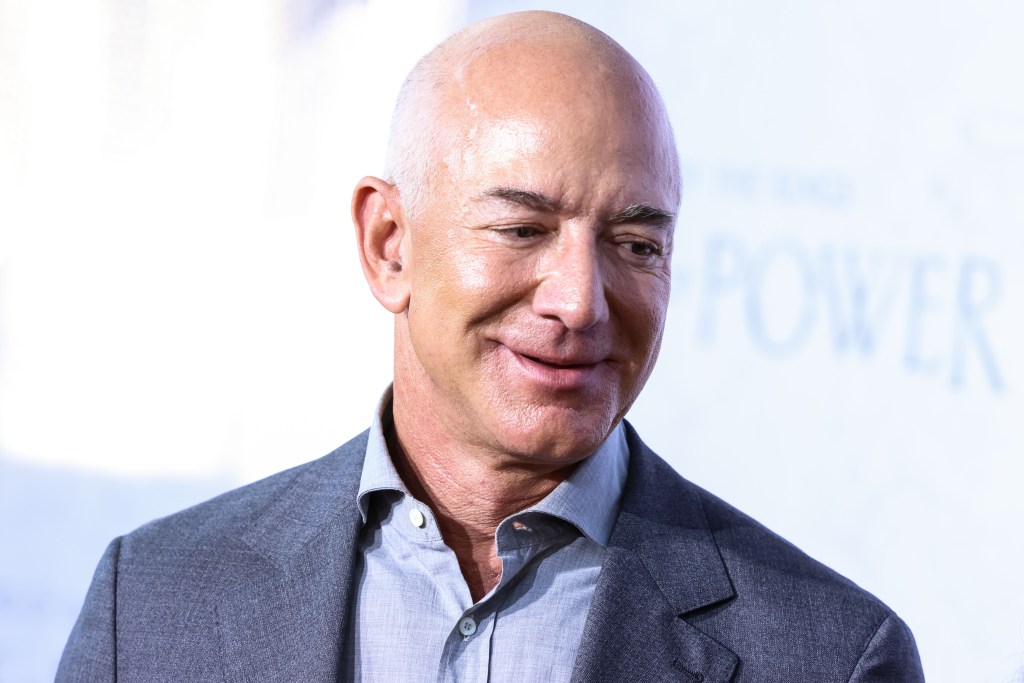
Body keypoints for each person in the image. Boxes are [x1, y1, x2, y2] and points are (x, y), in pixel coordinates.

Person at [57, 11, 925, 682]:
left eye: (635, 245)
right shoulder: (155, 601)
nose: (580, 300)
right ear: (389, 243)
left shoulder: (830, 656)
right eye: (522, 228)